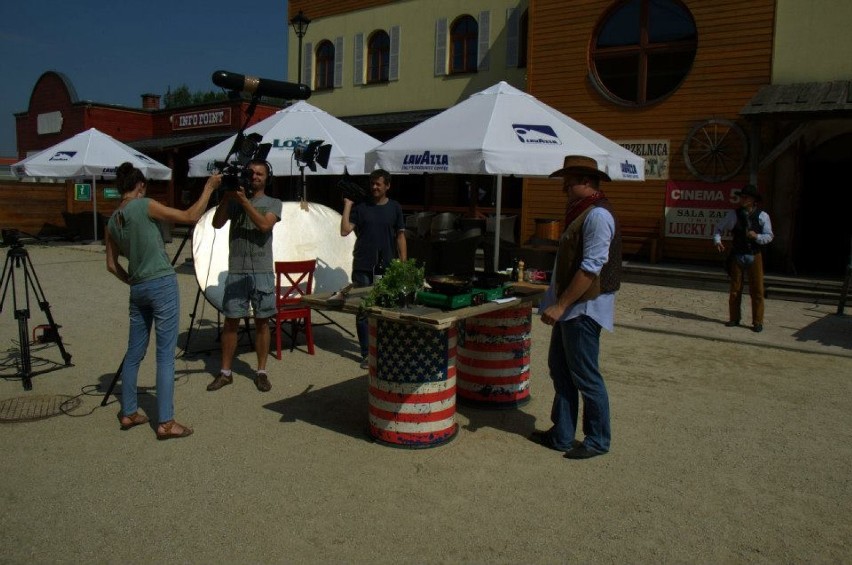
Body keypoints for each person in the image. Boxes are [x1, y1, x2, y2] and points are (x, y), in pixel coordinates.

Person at [106, 162, 220, 440]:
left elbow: (111, 265)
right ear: (140, 185)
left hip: (138, 287)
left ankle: (129, 411)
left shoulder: (113, 220)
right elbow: (191, 215)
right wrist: (208, 188)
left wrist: (130, 279)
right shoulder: (144, 205)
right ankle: (166, 422)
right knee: (165, 355)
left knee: (134, 353)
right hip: (161, 282)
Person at [531, 155, 621, 460]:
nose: (564, 188)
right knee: (561, 371)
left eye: (568, 182)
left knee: (585, 375)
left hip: (583, 310)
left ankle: (597, 440)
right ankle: (563, 434)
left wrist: (561, 305)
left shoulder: (597, 215)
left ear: (584, 181)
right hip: (571, 309)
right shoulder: (581, 212)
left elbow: (591, 268)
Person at [207, 160, 282, 392]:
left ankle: (261, 371)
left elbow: (264, 226)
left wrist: (244, 202)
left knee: (262, 322)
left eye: (260, 173)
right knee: (231, 322)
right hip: (237, 270)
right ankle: (225, 372)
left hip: (261, 271)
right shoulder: (234, 199)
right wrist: (228, 197)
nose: (255, 177)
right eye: (252, 173)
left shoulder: (273, 203)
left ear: (267, 177)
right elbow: (216, 223)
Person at [339, 169, 407, 369]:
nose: (374, 187)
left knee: (385, 309)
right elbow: (344, 230)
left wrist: (403, 262)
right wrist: (348, 206)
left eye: (378, 184)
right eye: (372, 184)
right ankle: (366, 353)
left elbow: (400, 236)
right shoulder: (361, 207)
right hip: (362, 265)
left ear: (387, 186)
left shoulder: (395, 208)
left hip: (386, 266)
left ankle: (383, 349)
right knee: (363, 311)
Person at [712, 184, 774, 332]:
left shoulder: (762, 216)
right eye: (742, 197)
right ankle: (734, 318)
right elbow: (718, 228)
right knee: (735, 289)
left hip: (754, 254)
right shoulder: (734, 214)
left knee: (757, 290)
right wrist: (717, 241)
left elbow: (769, 236)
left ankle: (757, 321)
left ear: (753, 200)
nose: (743, 199)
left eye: (746, 197)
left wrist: (757, 236)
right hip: (738, 254)